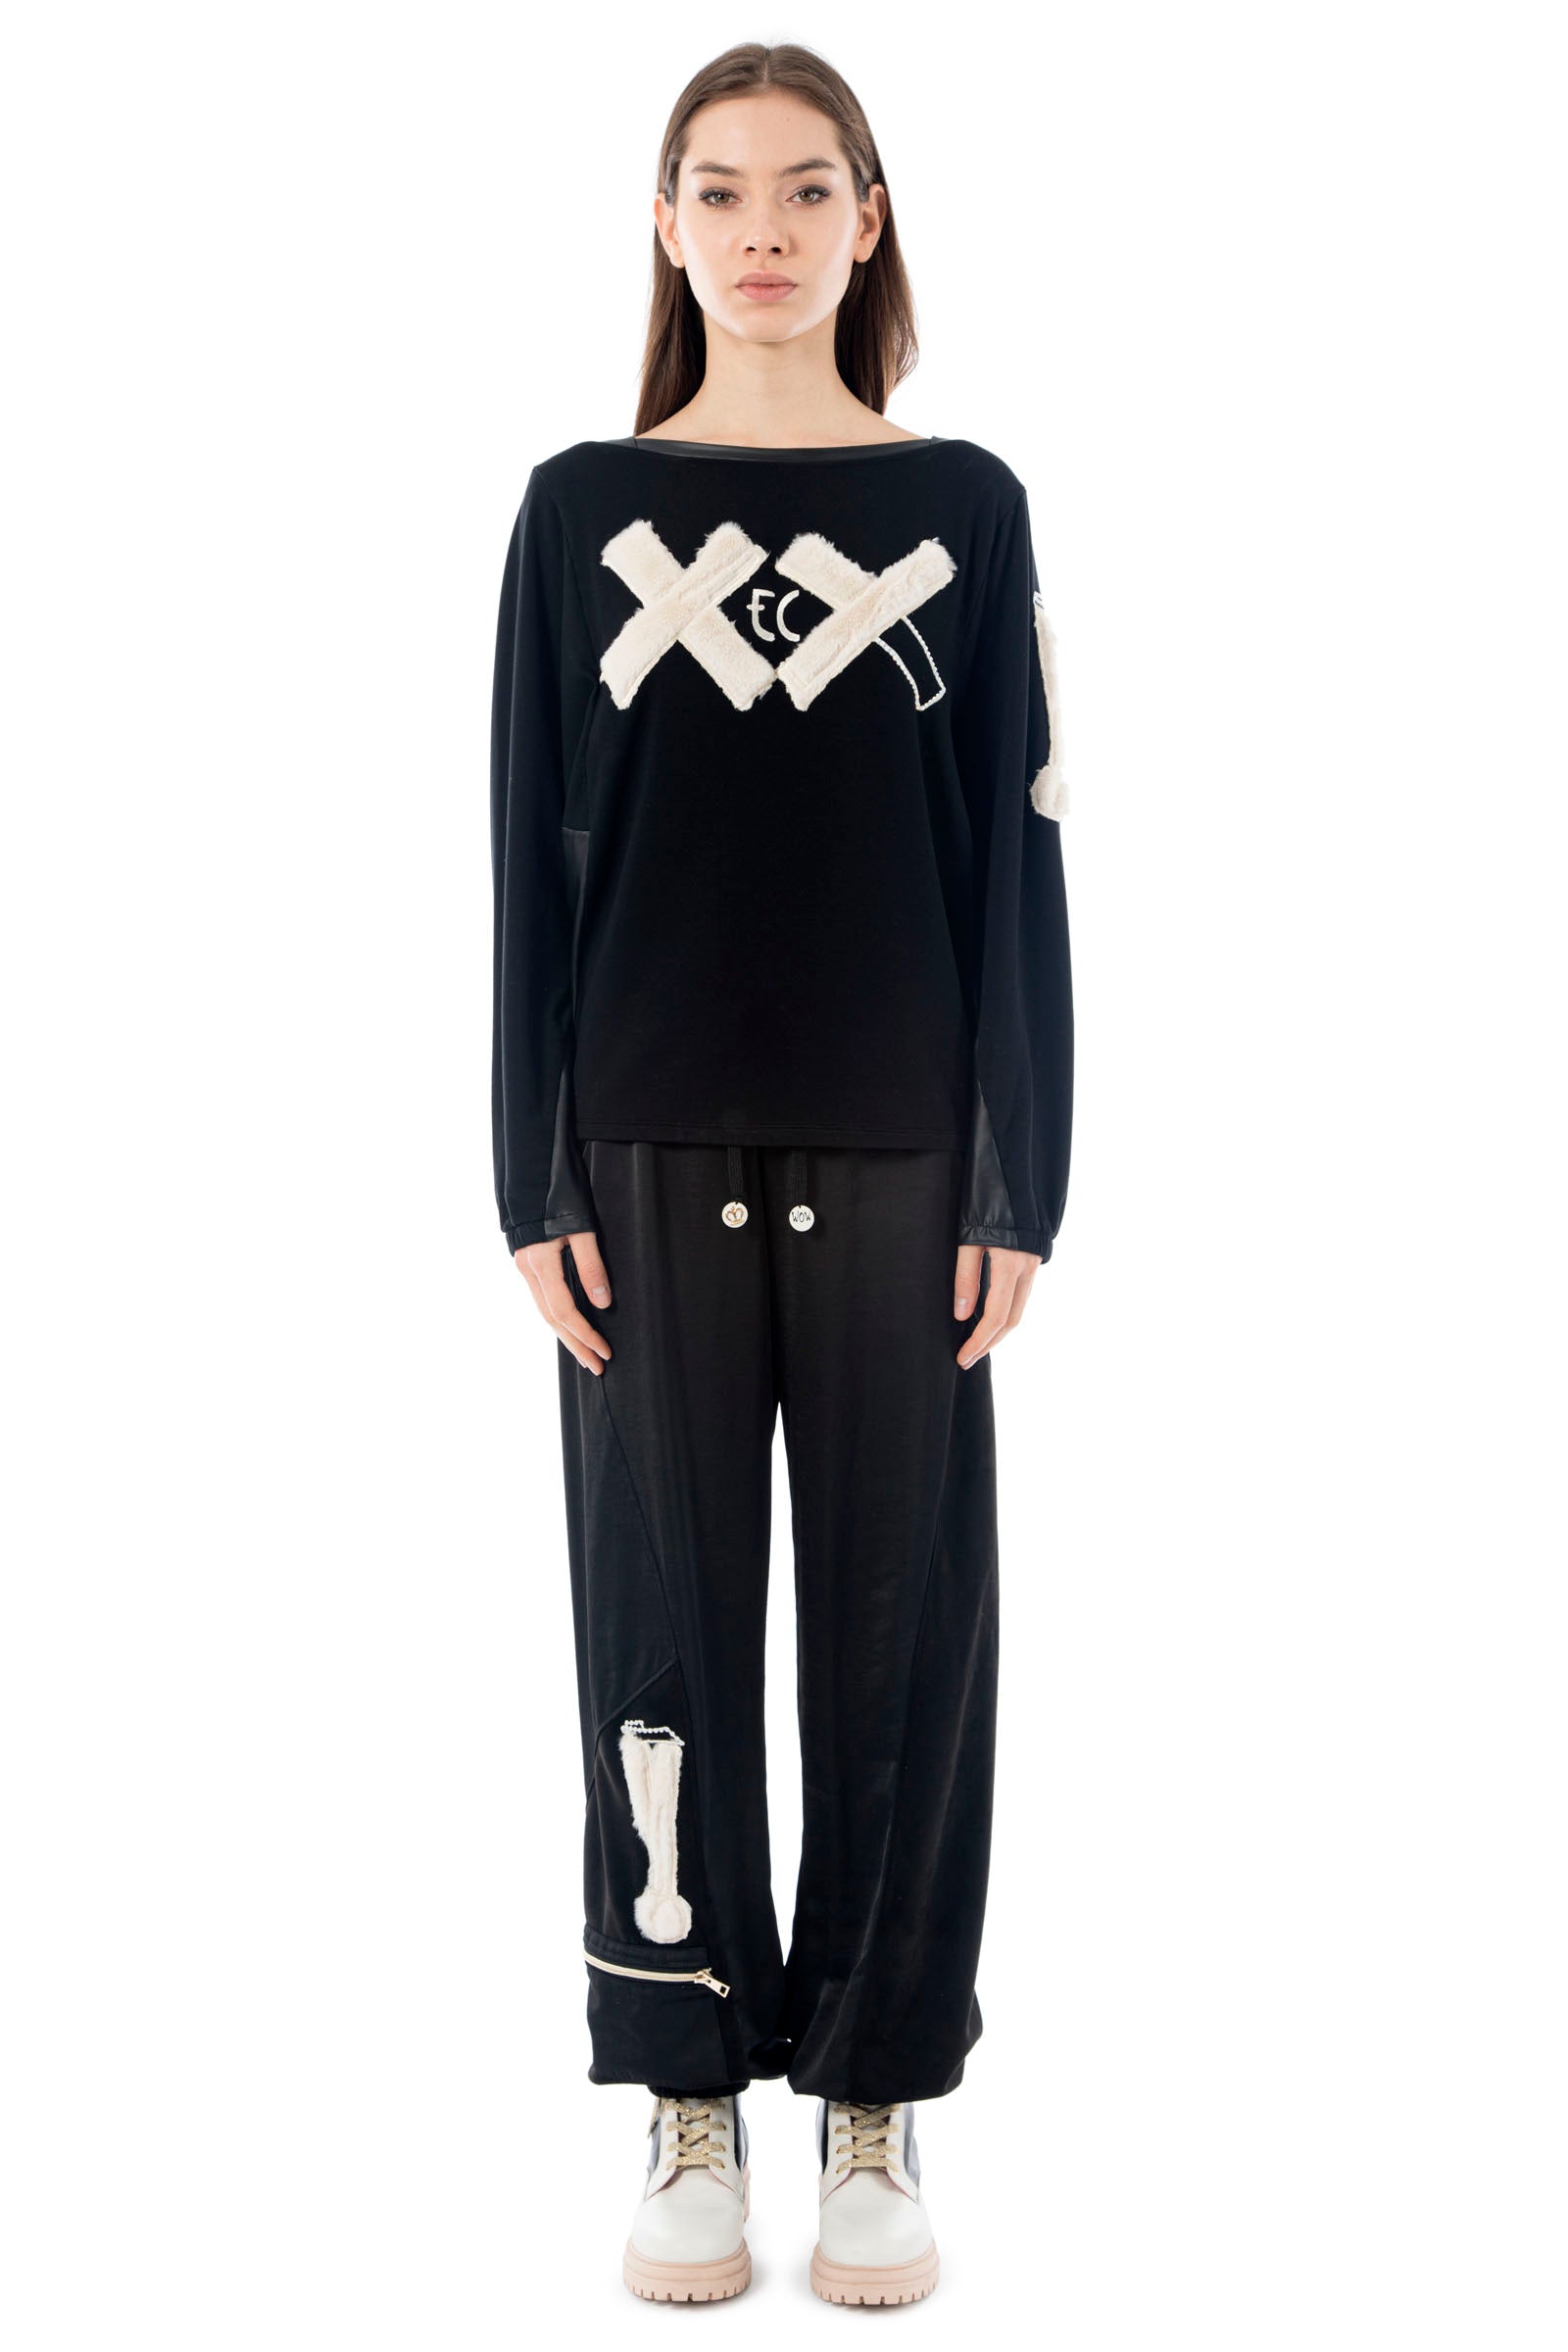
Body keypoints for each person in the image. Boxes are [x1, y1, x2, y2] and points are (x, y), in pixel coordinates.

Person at [490, 41, 1072, 2308]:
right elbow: (528, 853)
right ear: (664, 224)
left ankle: (871, 2091)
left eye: (804, 189)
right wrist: (525, 1163)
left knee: (900, 1632)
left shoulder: (964, 510)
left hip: (905, 1141)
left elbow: (1013, 857)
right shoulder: (576, 515)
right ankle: (685, 2085)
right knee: (658, 1621)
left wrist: (1019, 1173)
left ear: (865, 219)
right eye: (718, 189)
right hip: (637, 1141)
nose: (760, 228)